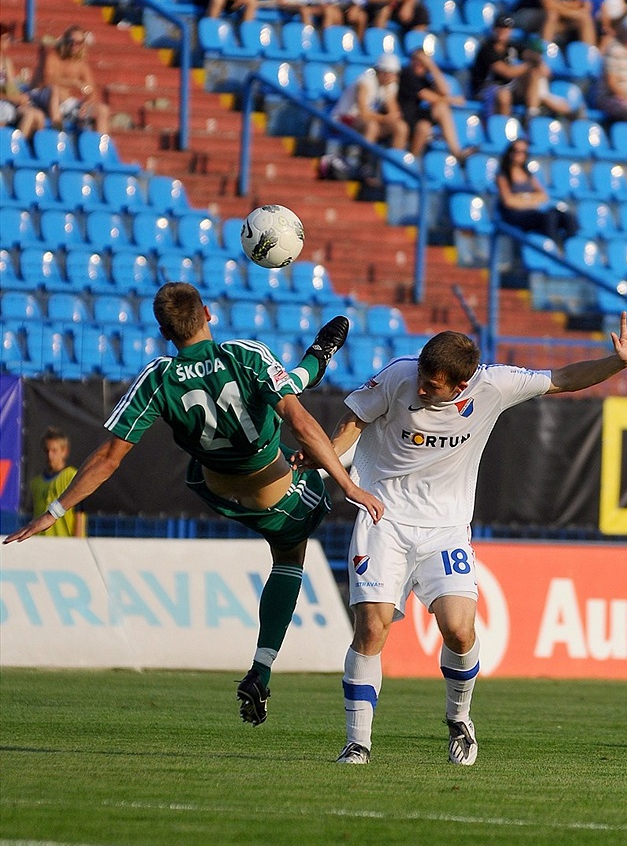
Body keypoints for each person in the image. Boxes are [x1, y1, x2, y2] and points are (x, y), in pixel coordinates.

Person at [4, 283, 384, 727]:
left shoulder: (156, 377)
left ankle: (316, 358)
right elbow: (300, 421)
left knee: (281, 393)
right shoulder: (246, 354)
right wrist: (346, 483)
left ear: (165, 332)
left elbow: (107, 458)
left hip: (215, 489)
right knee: (291, 545)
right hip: (274, 494)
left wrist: (52, 512)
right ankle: (261, 669)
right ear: (207, 312)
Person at [323, 309, 627, 764]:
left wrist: (619, 363)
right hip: (385, 519)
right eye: (421, 377)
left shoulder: (494, 386)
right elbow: (353, 420)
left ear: (461, 386)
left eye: (431, 385)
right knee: (372, 628)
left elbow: (563, 378)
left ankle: (459, 719)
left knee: (459, 630)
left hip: (447, 529)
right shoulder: (399, 376)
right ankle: (357, 743)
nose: (420, 388)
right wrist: (328, 460)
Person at [472, 25, 575, 120]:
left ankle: (531, 113)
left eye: (506, 28)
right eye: (500, 27)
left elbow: (530, 56)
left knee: (534, 76)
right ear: (494, 29)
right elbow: (507, 72)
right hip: (488, 88)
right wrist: (530, 65)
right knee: (504, 95)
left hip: (520, 90)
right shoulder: (487, 49)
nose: (503, 31)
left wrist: (537, 61)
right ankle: (504, 127)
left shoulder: (512, 46)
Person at [29, 25, 110, 134]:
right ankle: (57, 129)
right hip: (40, 98)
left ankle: (101, 146)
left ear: (83, 44)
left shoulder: (81, 64)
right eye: (71, 41)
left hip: (66, 105)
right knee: (54, 90)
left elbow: (91, 91)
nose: (74, 45)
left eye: (78, 43)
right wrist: (74, 82)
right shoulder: (52, 55)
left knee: (102, 110)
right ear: (64, 41)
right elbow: (47, 79)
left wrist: (86, 104)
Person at [496, 139, 578, 245]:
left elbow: (543, 196)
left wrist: (522, 198)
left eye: (524, 152)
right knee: (549, 217)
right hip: (516, 216)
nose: (519, 155)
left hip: (531, 212)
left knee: (565, 217)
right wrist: (531, 200)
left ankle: (568, 248)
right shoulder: (503, 176)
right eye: (516, 151)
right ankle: (554, 249)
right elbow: (508, 201)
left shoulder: (528, 174)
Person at [398, 48, 470, 161]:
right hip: (403, 119)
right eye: (417, 61)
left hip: (415, 119)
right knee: (426, 124)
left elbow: (444, 90)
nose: (419, 64)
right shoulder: (407, 74)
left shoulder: (424, 79)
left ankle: (456, 151)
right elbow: (429, 97)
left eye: (422, 62)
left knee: (428, 122)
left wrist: (431, 65)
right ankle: (410, 161)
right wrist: (454, 100)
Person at [331, 52, 407, 149]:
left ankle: (394, 160)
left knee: (401, 127)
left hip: (363, 121)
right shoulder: (365, 83)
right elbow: (364, 113)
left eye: (395, 74)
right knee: (372, 126)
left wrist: (389, 94)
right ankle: (364, 158)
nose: (394, 78)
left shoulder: (389, 85)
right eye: (391, 74)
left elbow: (394, 113)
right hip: (344, 118)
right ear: (381, 72)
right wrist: (385, 118)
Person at [29, 427, 85, 538]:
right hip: (40, 544)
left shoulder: (72, 476)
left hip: (65, 543)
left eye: (54, 450)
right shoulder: (36, 483)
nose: (50, 455)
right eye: (47, 450)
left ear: (64, 451)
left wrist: (78, 544)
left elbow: (79, 514)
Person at [0, 22, 46, 140]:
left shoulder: (6, 62)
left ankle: (31, 151)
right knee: (28, 114)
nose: (8, 41)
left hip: (8, 101)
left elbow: (11, 88)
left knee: (39, 115)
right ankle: (16, 148)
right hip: (4, 102)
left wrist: (21, 97)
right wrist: (14, 98)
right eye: (5, 38)